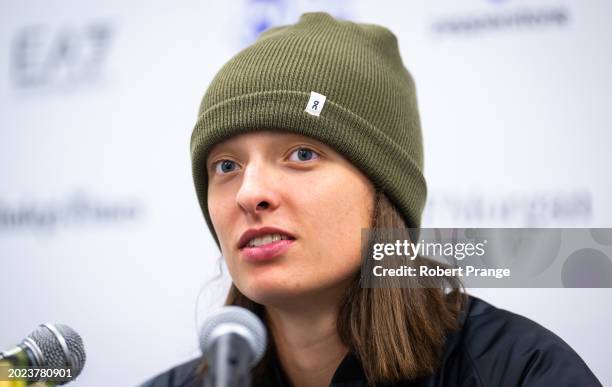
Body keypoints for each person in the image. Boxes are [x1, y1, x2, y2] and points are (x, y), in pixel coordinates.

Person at [139, 12, 602, 387]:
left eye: (302, 154)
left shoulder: (521, 372)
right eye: (226, 166)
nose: (250, 193)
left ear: (385, 190)